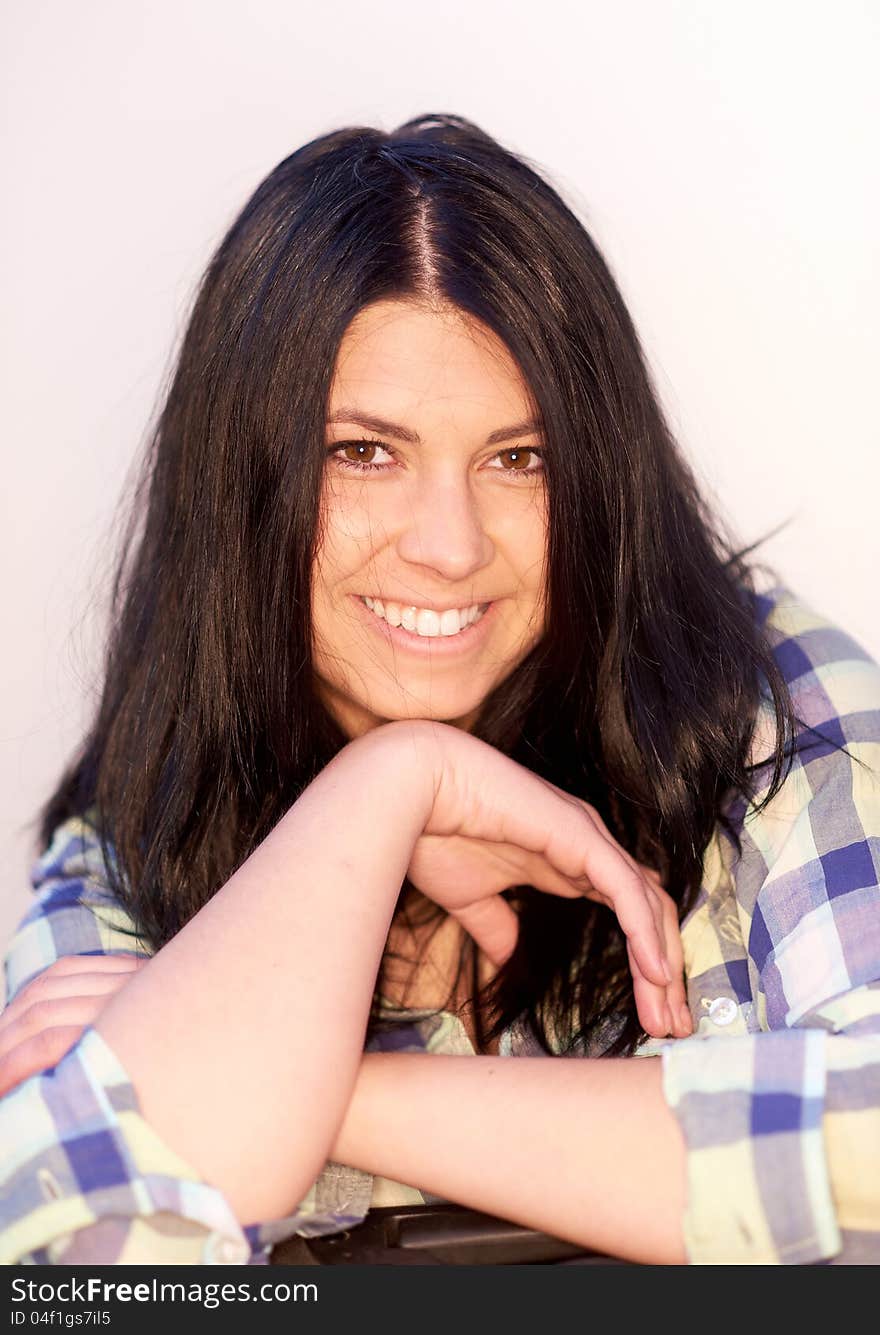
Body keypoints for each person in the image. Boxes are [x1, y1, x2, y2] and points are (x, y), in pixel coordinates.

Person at [1, 113, 878, 1268]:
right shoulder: (134, 839)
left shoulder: (759, 698)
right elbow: (88, 1264)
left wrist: (316, 1089)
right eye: (364, 452)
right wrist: (387, 787)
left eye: (520, 459)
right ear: (244, 476)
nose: (451, 547)